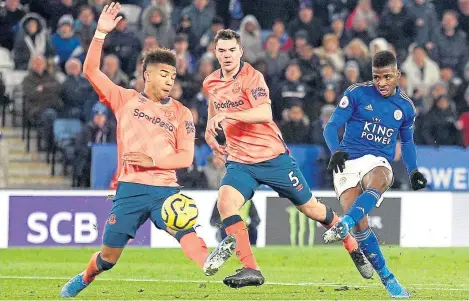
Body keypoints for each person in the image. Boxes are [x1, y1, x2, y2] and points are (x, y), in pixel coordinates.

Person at [60, 3, 234, 298]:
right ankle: (85, 277)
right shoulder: (125, 99)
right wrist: (101, 32)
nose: (169, 80)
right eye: (164, 74)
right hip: (128, 190)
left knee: (184, 229)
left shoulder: (181, 113)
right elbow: (90, 70)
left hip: (164, 190)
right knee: (107, 260)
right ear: (147, 75)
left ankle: (207, 261)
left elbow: (186, 158)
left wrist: (152, 159)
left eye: (173, 76)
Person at [202, 29, 373, 289]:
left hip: (273, 158)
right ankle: (251, 269)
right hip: (240, 161)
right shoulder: (211, 82)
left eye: (232, 50)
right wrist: (210, 127)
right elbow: (215, 106)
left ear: (241, 52)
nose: (227, 55)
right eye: (222, 51)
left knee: (311, 209)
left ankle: (352, 244)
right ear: (215, 53)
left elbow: (264, 112)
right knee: (226, 203)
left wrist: (228, 117)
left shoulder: (252, 77)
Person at [322, 50, 428, 298]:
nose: (381, 82)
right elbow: (332, 126)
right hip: (347, 160)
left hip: (376, 160)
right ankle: (385, 275)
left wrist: (413, 171)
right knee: (361, 223)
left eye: (387, 77)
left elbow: (408, 143)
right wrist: (335, 150)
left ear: (398, 75)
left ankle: (345, 226)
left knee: (382, 175)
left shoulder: (405, 107)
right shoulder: (356, 93)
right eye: (377, 77)